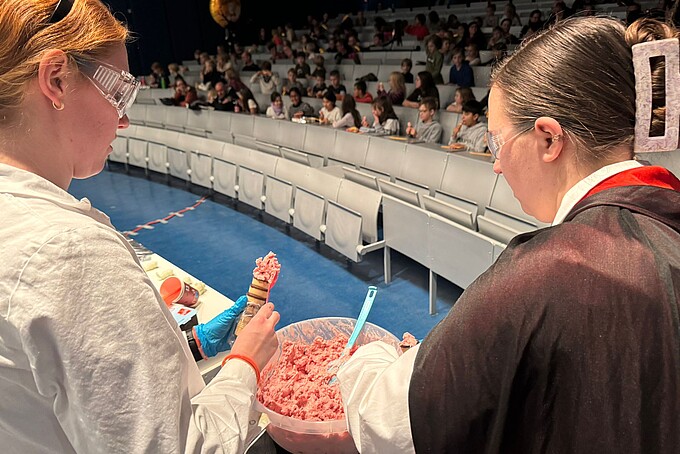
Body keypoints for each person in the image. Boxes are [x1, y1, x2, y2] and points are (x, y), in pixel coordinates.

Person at [337, 16, 680, 453]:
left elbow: (385, 421)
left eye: (497, 143)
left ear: (549, 140)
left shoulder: (545, 273)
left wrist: (367, 358)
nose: (496, 164)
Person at [0, 0, 281, 452]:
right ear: (55, 80)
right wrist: (244, 365)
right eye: (119, 93)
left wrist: (186, 347)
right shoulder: (68, 252)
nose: (125, 118)